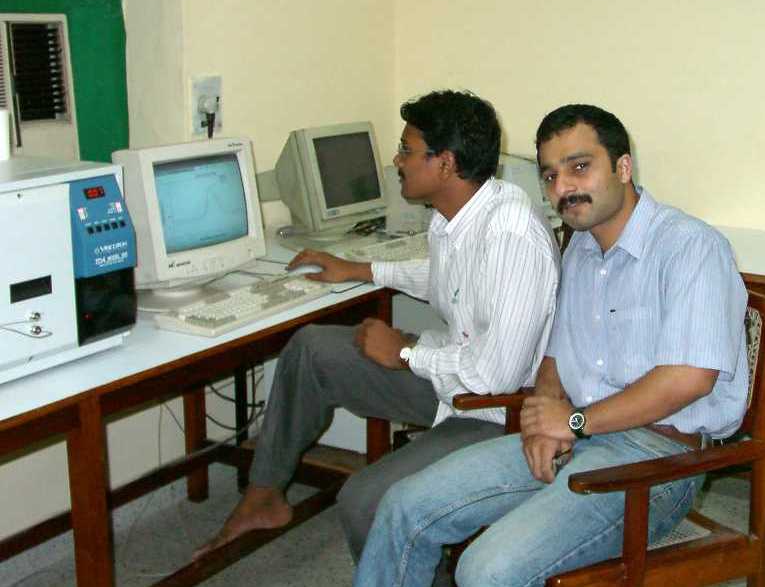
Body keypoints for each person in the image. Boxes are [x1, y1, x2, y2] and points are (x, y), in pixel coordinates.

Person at [354, 104, 750, 587]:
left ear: (624, 168)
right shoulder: (581, 247)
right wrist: (543, 422)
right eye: (550, 176)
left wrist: (576, 421)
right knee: (403, 507)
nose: (563, 188)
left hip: (657, 461)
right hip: (579, 438)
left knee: (486, 570)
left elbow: (688, 379)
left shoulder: (692, 247)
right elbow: (554, 360)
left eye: (579, 167)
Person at [194, 90, 560, 561]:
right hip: (453, 376)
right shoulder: (457, 216)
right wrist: (359, 269)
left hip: (495, 412)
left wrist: (405, 354)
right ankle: (263, 496)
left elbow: (495, 378)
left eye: (407, 150)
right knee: (311, 349)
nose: (397, 160)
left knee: (366, 502)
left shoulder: (511, 234)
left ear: (445, 164)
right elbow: (446, 277)